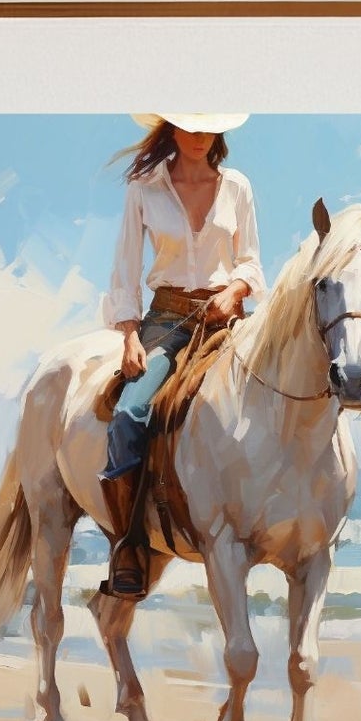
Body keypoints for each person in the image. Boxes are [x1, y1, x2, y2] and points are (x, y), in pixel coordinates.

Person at [99, 113, 265, 596]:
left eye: (209, 125)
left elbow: (251, 260)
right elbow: (124, 273)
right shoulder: (143, 189)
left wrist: (234, 289)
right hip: (168, 321)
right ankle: (128, 543)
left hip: (227, 319)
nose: (199, 135)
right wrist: (130, 336)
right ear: (170, 126)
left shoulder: (236, 187)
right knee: (130, 412)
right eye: (190, 124)